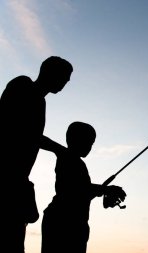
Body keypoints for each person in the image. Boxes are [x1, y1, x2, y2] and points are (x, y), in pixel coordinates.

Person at [0, 56, 73, 253]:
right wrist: (61, 150)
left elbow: (32, 135)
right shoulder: (22, 85)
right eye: (65, 76)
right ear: (50, 72)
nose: (67, 82)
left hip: (17, 180)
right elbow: (24, 132)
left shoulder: (40, 101)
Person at [41, 121, 126, 253]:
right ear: (75, 139)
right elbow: (76, 190)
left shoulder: (72, 159)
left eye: (92, 143)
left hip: (72, 222)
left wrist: (102, 191)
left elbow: (80, 192)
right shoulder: (68, 158)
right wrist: (106, 189)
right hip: (65, 223)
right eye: (88, 141)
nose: (90, 147)